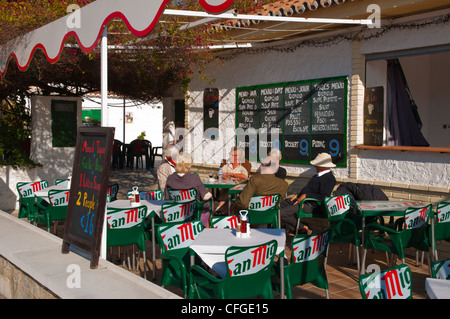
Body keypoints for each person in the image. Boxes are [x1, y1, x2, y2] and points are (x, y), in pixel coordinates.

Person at [280, 152, 336, 235]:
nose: (315, 166)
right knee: (280, 205)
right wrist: (298, 195)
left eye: (317, 164)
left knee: (282, 213)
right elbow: (308, 190)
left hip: (312, 205)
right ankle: (298, 228)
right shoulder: (317, 176)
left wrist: (306, 196)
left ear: (322, 166)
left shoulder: (329, 179)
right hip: (304, 200)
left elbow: (324, 196)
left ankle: (302, 227)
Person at [164, 152, 212, 227]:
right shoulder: (194, 178)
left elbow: (166, 197)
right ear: (189, 165)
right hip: (192, 211)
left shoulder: (170, 178)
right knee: (208, 201)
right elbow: (204, 196)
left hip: (176, 211)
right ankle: (203, 226)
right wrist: (210, 194)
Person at [214, 147, 249, 215]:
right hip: (225, 190)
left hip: (237, 192)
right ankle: (222, 210)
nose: (230, 156)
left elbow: (244, 176)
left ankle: (219, 210)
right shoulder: (226, 166)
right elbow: (219, 173)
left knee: (230, 191)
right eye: (230, 154)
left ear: (238, 157)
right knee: (226, 190)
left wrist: (231, 174)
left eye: (232, 155)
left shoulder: (241, 168)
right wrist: (228, 178)